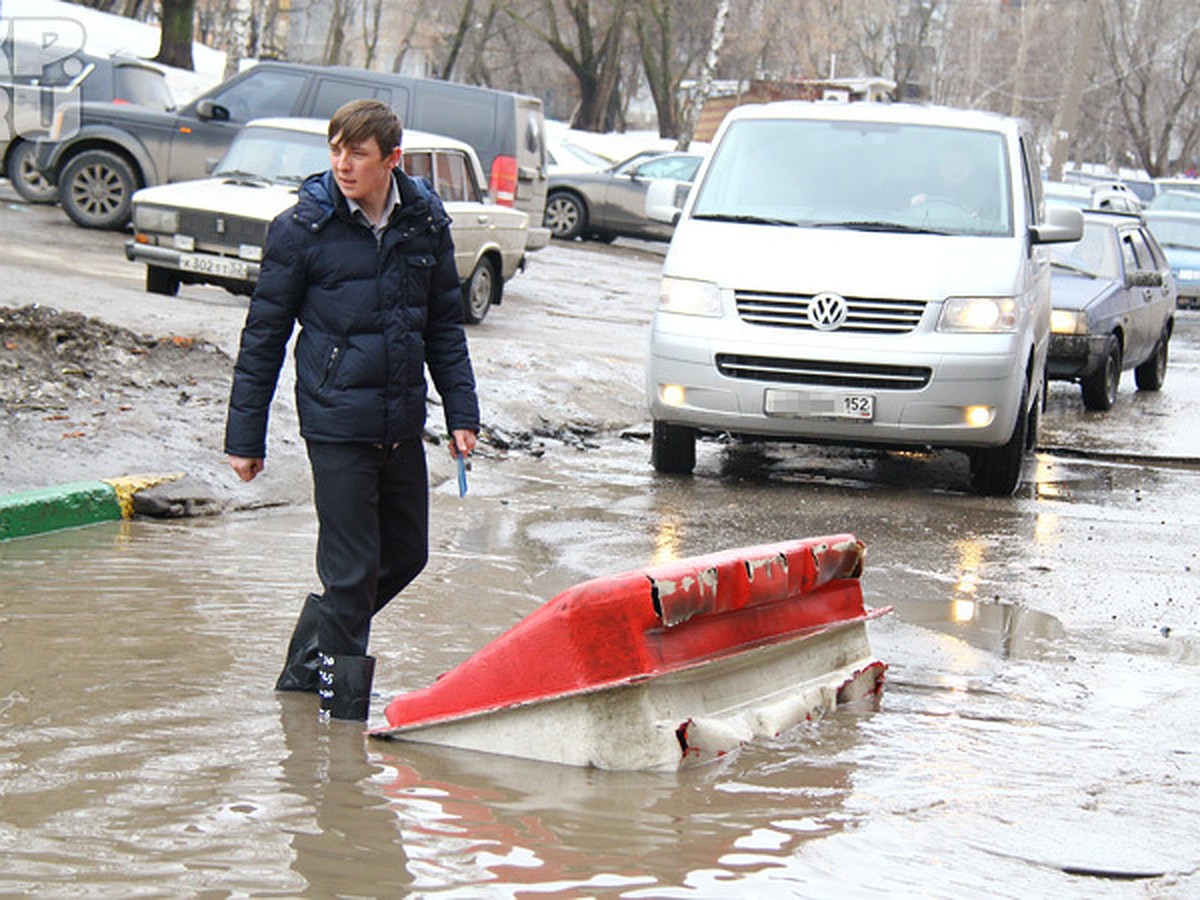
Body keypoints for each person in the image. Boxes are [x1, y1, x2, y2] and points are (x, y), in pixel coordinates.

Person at [223, 98, 479, 721]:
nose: (342, 163)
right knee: (351, 573)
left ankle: (308, 662)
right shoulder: (301, 228)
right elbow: (264, 336)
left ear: (392, 159)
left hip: (399, 419)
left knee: (407, 555)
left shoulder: (424, 223)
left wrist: (461, 412)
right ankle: (341, 719)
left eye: (357, 153)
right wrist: (245, 437)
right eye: (335, 149)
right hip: (335, 419)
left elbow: (443, 325)